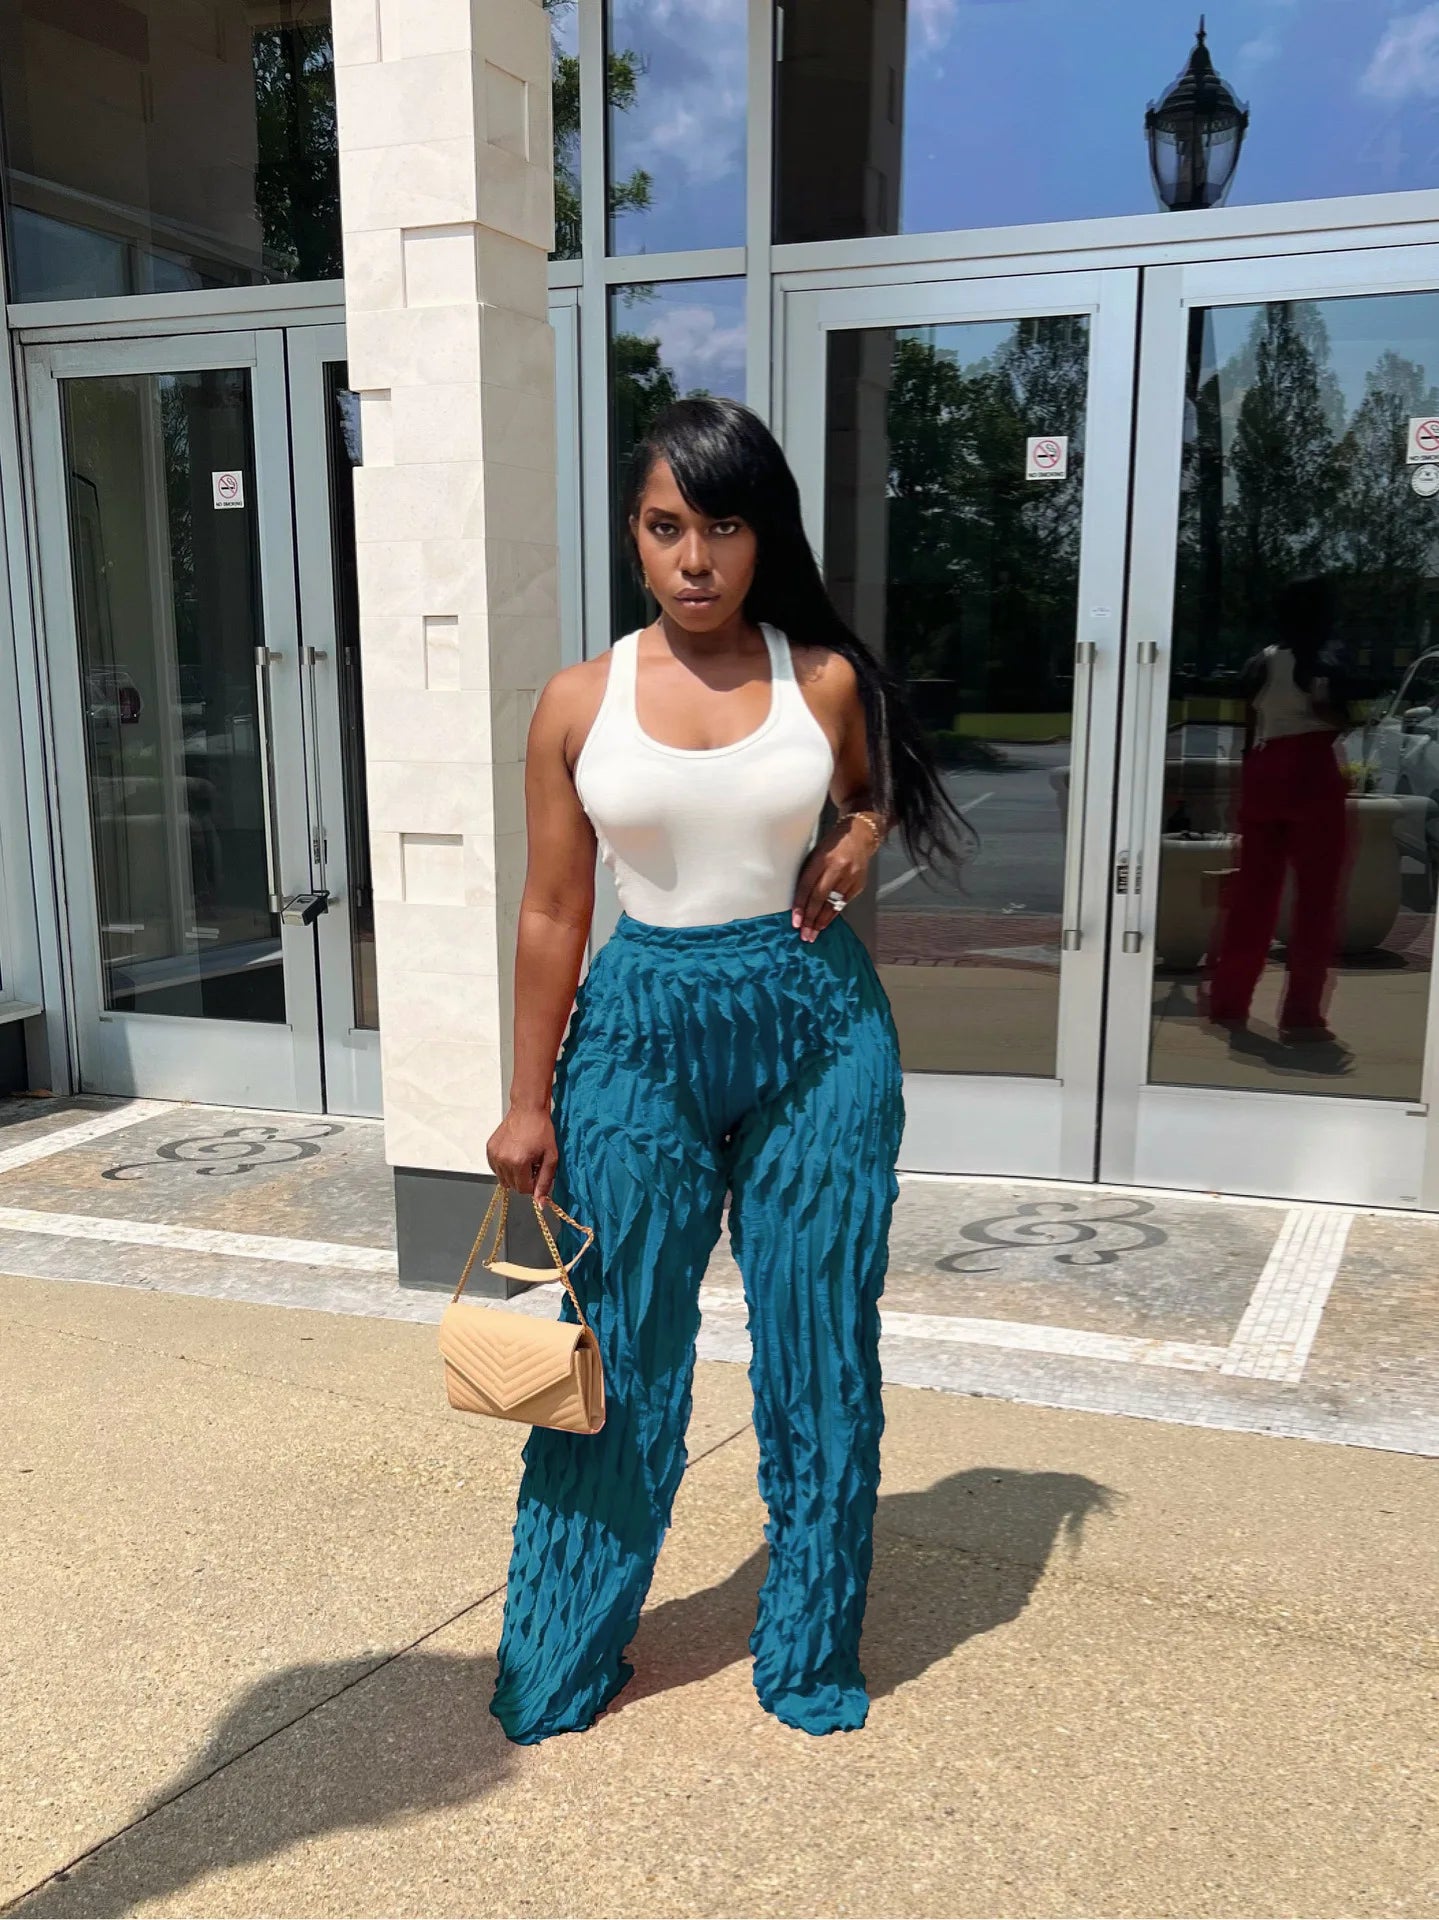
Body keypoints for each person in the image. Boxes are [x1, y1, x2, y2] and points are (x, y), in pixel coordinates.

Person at [483, 395, 971, 1745]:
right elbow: (551, 911)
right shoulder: (576, 702)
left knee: (817, 1348)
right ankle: (562, 1652)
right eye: (664, 527)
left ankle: (806, 1647)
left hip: (816, 1033)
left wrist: (859, 834)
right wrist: (525, 1100)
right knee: (619, 1355)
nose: (693, 557)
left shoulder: (822, 681)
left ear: (764, 538)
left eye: (723, 526)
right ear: (633, 538)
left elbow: (865, 792)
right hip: (636, 1033)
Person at [1205, 578, 1352, 1051]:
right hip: (1311, 769)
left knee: (1253, 895)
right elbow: (1332, 718)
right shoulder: (1325, 661)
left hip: (1264, 769)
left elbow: (1251, 728)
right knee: (1315, 901)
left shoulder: (1260, 662)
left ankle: (1229, 1000)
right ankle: (1301, 1012)